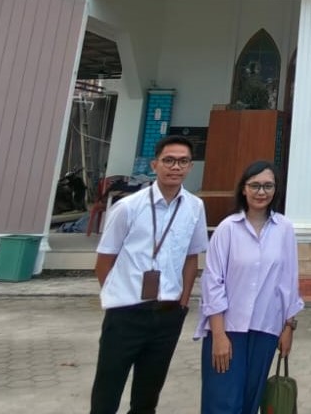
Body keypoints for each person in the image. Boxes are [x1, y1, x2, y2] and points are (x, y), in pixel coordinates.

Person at [88, 134, 208, 414]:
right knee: (107, 390)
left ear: (190, 167)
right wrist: (118, 295)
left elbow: (192, 258)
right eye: (168, 160)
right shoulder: (128, 207)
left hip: (167, 314)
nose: (175, 167)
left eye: (182, 161)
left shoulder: (195, 207)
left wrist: (183, 301)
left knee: (148, 395)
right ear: (155, 165)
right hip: (126, 313)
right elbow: (104, 259)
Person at [195, 160, 303, 414]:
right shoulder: (227, 229)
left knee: (250, 401)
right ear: (244, 189)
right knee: (221, 402)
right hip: (228, 329)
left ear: (276, 190)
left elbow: (289, 281)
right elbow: (212, 282)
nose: (261, 192)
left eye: (268, 186)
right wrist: (219, 336)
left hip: (266, 328)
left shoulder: (284, 229)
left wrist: (289, 327)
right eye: (255, 185)